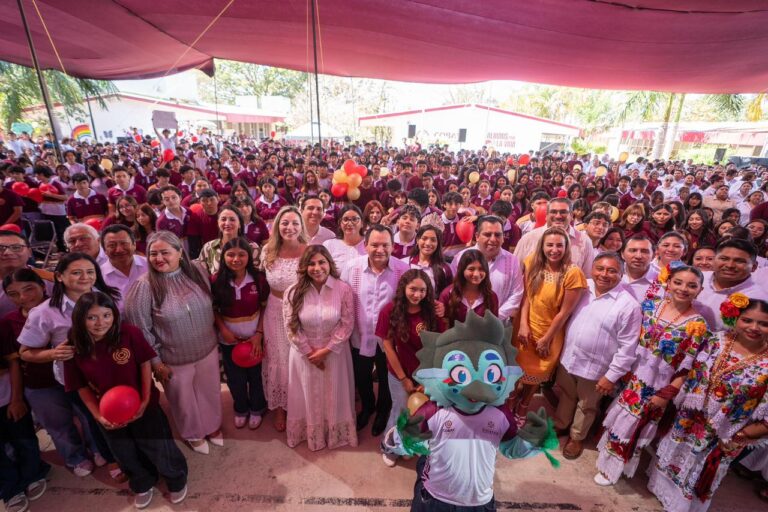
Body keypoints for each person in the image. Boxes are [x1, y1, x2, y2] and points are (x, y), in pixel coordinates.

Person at [63, 291, 189, 509]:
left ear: (114, 314)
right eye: (92, 317)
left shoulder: (129, 333)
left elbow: (144, 364)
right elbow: (81, 387)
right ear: (80, 318)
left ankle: (176, 478)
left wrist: (145, 400)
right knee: (125, 452)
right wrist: (99, 416)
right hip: (108, 413)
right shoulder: (74, 347)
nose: (100, 323)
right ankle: (142, 483)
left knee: (158, 446)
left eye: (106, 315)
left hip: (143, 406)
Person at [647, 296, 768, 512]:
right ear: (735, 318)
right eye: (747, 320)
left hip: (725, 432)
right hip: (689, 418)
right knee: (673, 457)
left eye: (763, 323)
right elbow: (688, 370)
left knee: (700, 471)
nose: (754, 328)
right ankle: (662, 492)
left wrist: (742, 435)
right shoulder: (716, 340)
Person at [595, 264, 711, 486]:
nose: (683, 289)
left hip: (657, 385)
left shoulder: (697, 325)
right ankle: (606, 458)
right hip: (632, 375)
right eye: (678, 282)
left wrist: (667, 394)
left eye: (691, 285)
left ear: (700, 290)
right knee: (618, 418)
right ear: (669, 283)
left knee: (634, 426)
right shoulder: (649, 306)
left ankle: (614, 469)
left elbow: (689, 366)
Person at [17, 253, 120, 478]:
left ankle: (114, 453)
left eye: (90, 272)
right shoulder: (44, 312)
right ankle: (111, 459)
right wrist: (53, 353)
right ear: (59, 276)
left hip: (112, 372)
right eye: (76, 272)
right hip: (77, 380)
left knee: (115, 414)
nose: (85, 277)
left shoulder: (105, 298)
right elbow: (25, 352)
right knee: (94, 418)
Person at [125, 231, 223, 454]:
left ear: (180, 252)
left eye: (165, 252)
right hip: (172, 358)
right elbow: (140, 330)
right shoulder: (144, 286)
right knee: (183, 400)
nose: (158, 258)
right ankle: (193, 433)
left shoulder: (197, 271)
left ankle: (212, 425)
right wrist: (156, 362)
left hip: (207, 349)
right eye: (153, 253)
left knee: (210, 391)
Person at [555, 252, 642, 459]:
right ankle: (560, 425)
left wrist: (611, 376)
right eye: (600, 269)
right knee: (566, 395)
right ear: (592, 269)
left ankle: (576, 437)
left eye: (612, 271)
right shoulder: (582, 288)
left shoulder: (629, 306)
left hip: (595, 369)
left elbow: (627, 347)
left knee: (587, 406)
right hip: (568, 359)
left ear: (621, 274)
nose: (604, 274)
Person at [282, 245, 357, 450]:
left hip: (335, 354)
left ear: (329, 263)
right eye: (311, 263)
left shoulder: (343, 289)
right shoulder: (293, 291)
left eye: (321, 262)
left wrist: (326, 350)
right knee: (306, 395)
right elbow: (290, 326)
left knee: (334, 394)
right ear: (304, 267)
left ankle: (333, 434)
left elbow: (347, 323)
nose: (317, 268)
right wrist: (309, 352)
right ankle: (311, 434)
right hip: (303, 356)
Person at [513, 227, 587, 424]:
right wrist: (523, 325)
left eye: (559, 245)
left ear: (566, 247)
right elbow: (526, 297)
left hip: (551, 333)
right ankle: (510, 403)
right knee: (516, 371)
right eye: (550, 245)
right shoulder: (532, 262)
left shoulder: (573, 273)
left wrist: (547, 339)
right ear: (542, 246)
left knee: (536, 374)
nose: (554, 250)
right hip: (525, 329)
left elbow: (564, 313)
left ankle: (523, 406)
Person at [340, 224, 409, 435]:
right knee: (362, 376)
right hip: (358, 335)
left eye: (385, 245)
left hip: (389, 340)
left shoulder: (403, 270)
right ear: (365, 245)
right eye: (375, 245)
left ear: (393, 246)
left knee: (386, 378)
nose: (380, 250)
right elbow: (343, 299)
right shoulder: (351, 268)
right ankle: (367, 407)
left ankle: (382, 411)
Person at [377, 269, 444, 466]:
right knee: (399, 410)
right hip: (399, 372)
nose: (417, 294)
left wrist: (428, 379)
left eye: (422, 290)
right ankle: (389, 447)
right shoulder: (389, 310)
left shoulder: (432, 311)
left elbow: (439, 346)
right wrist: (403, 378)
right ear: (403, 288)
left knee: (421, 413)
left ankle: (408, 445)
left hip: (426, 373)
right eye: (413, 289)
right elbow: (388, 346)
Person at [0, 270, 51, 512]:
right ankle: (9, 487)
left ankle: (33, 473)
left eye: (27, 289)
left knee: (23, 437)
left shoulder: (3, 325)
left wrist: (16, 398)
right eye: (13, 294)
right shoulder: (8, 320)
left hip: (6, 395)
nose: (21, 297)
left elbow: (13, 363)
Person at [212, 237, 269, 430]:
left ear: (249, 256)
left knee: (256, 376)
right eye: (230, 255)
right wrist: (223, 330)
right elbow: (214, 309)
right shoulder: (216, 281)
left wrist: (259, 334)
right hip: (229, 341)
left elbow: (265, 307)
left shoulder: (258, 279)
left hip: (254, 339)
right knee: (235, 378)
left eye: (241, 255)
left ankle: (257, 408)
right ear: (223, 257)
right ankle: (241, 408)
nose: (236, 259)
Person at [260, 205, 307, 432]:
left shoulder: (309, 251)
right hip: (275, 312)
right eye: (285, 223)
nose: (290, 227)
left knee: (299, 358)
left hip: (301, 311)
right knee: (278, 358)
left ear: (301, 226)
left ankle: (300, 404)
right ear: (277, 225)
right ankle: (280, 407)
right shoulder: (267, 250)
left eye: (295, 223)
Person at [452, 216, 524, 323]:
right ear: (477, 236)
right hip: (464, 324)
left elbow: (516, 293)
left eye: (498, 235)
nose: (493, 239)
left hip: (498, 324)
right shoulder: (460, 258)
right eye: (487, 234)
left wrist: (494, 317)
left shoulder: (512, 261)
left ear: (503, 237)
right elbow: (453, 289)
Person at [694, 239, 768, 331]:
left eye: (739, 261)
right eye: (724, 259)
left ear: (754, 266)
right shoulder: (697, 279)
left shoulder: (759, 298)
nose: (730, 265)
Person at [514, 198, 595, 275]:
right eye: (553, 212)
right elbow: (516, 272)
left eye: (563, 212)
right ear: (546, 215)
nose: (558, 216)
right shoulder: (528, 239)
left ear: (571, 215)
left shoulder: (585, 241)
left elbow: (587, 277)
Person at [439, 249, 499, 328]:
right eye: (471, 269)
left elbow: (493, 327)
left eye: (481, 269)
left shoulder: (491, 296)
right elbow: (442, 325)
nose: (476, 274)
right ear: (462, 270)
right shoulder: (447, 294)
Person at [99, 224, 149, 311]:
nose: (119, 249)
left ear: (134, 245)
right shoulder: (99, 276)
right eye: (112, 245)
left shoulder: (149, 265)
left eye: (124, 243)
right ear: (104, 250)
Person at [403, 225, 452, 293]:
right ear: (417, 240)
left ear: (438, 244)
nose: (428, 243)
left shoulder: (444, 269)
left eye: (433, 240)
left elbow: (446, 294)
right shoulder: (404, 263)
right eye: (424, 238)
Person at [197, 206, 245, 275]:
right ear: (218, 223)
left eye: (232, 220)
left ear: (239, 224)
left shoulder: (252, 247)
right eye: (223, 219)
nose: (227, 223)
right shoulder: (209, 247)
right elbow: (202, 275)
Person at [322, 204, 366, 270]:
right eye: (345, 219)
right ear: (339, 223)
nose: (350, 223)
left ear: (362, 223)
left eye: (354, 219)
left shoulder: (370, 244)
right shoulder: (329, 245)